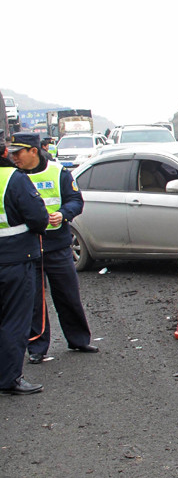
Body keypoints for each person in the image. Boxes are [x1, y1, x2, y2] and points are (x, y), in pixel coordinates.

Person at [7, 132, 98, 363]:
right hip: (28, 248)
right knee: (35, 300)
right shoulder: (14, 176)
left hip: (56, 245)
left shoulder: (59, 172)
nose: (14, 157)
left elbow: (76, 201)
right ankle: (37, 347)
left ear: (33, 151)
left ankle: (78, 340)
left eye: (18, 153)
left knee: (68, 294)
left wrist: (63, 214)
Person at [0, 138, 49, 395]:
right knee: (15, 320)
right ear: (5, 152)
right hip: (14, 259)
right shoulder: (14, 179)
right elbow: (38, 218)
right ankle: (9, 379)